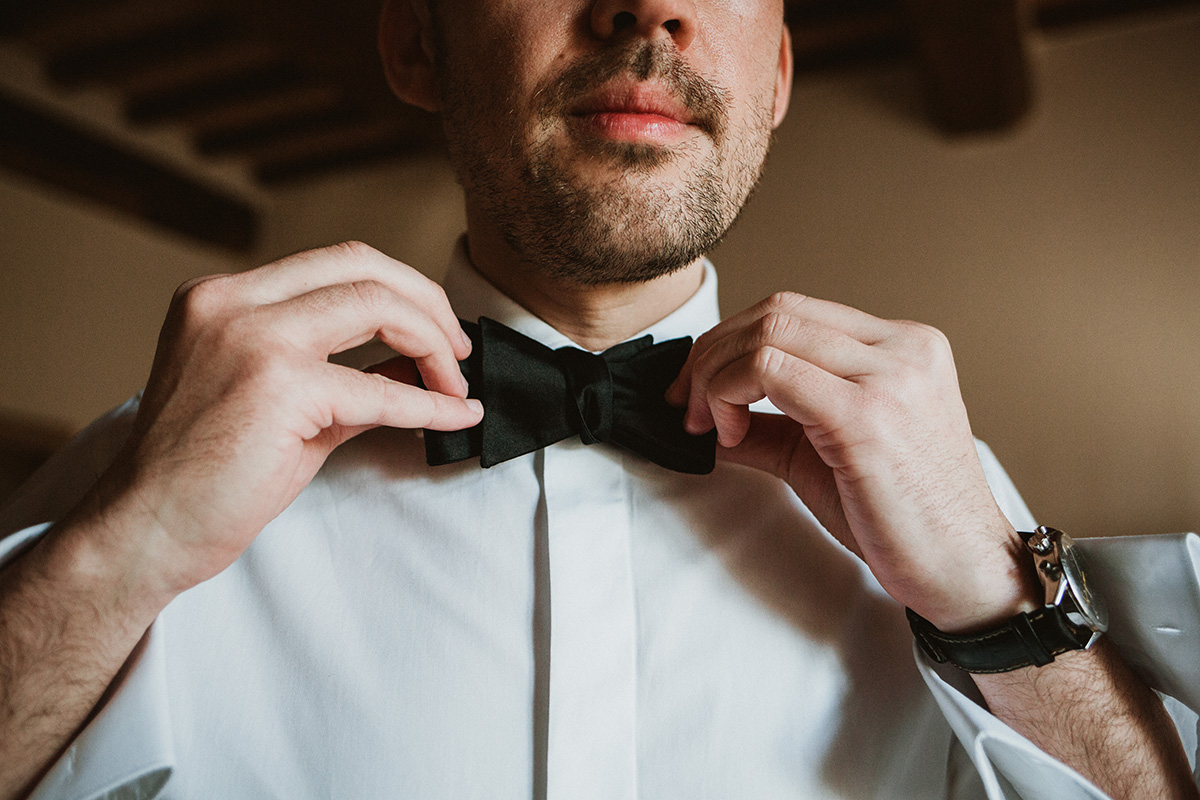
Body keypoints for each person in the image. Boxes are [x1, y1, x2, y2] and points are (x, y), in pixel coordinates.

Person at [1, 0, 1198, 798]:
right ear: (418, 43)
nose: (646, 9)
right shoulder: (154, 475)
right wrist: (122, 552)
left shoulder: (954, 496)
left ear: (775, 76)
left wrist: (1001, 609)